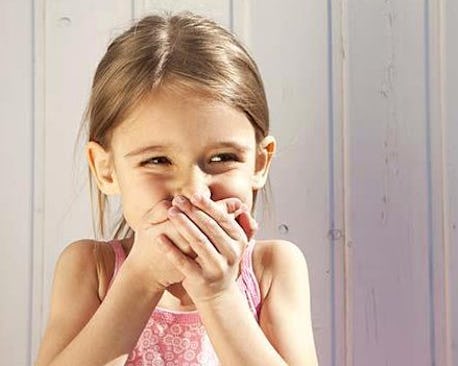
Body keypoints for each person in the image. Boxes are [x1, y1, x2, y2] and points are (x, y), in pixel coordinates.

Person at [35, 12, 318, 366]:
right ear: (106, 170)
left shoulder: (272, 268)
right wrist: (140, 278)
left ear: (259, 163)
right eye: (157, 161)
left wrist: (218, 295)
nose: (194, 191)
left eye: (222, 157)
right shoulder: (92, 269)